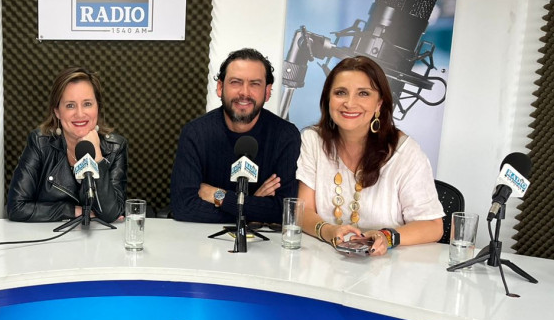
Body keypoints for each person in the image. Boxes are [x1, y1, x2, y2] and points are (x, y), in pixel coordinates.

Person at [298, 55, 443, 255]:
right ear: (328, 99)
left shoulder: (405, 152)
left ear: (379, 104)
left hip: (387, 268)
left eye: (363, 94)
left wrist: (387, 236)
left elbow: (433, 226)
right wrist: (329, 230)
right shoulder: (313, 140)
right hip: (325, 263)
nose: (349, 103)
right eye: (340, 92)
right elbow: (303, 211)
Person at [170, 48, 301, 224]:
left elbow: (283, 211)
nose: (244, 92)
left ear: (267, 91)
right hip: (203, 243)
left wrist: (220, 197)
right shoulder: (196, 133)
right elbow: (183, 207)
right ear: (220, 87)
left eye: (254, 84)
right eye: (236, 82)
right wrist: (253, 207)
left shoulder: (285, 135)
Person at [7, 67, 127, 222]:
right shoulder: (40, 142)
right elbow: (17, 207)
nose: (80, 114)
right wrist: (74, 211)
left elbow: (111, 213)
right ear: (57, 111)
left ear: (98, 107)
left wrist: (97, 157)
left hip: (99, 243)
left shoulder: (116, 147)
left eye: (87, 104)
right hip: (48, 240)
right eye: (70, 105)